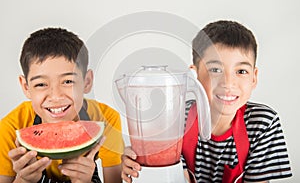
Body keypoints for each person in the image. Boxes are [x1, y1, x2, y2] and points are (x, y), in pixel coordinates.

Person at [121, 20, 292, 182]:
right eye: (215, 70)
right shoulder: (177, 118)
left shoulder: (263, 123)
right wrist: (142, 166)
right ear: (193, 76)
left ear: (254, 78)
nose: (228, 83)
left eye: (241, 71)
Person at [0, 28, 124, 183]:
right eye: (41, 84)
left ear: (87, 82)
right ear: (26, 87)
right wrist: (24, 180)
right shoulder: (12, 127)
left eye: (67, 82)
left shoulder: (105, 119)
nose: (56, 96)